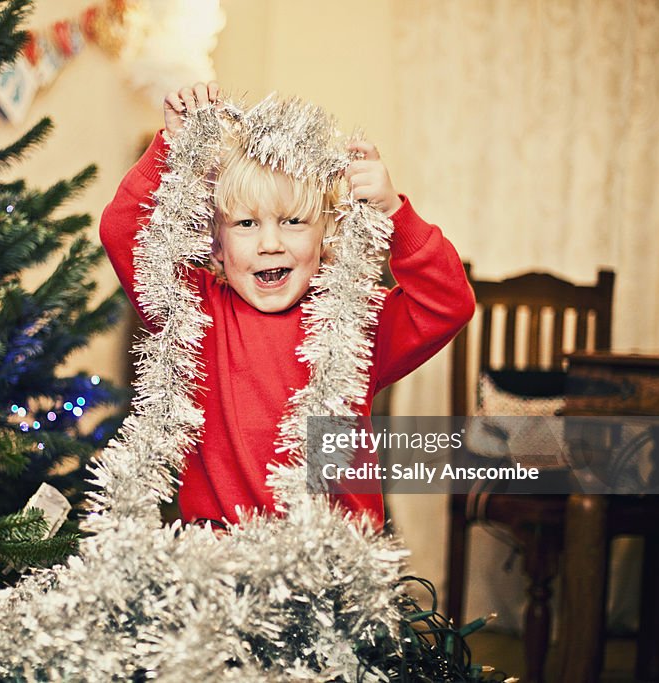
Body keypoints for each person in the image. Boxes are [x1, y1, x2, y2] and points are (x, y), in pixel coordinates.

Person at [100, 82, 474, 531]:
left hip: (335, 564)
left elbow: (448, 302)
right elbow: (123, 231)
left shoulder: (353, 322)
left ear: (325, 239)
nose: (271, 243)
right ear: (215, 246)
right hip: (220, 564)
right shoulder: (193, 313)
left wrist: (395, 213)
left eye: (294, 222)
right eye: (246, 223)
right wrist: (172, 150)